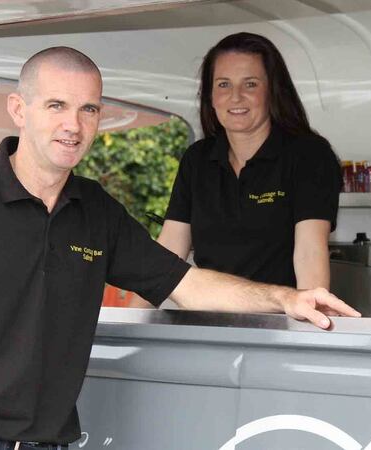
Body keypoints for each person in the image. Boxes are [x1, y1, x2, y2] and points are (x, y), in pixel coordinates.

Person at [0, 47, 359, 450]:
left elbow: (186, 283)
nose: (72, 126)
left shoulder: (95, 211)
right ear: (18, 109)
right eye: (56, 105)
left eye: (88, 110)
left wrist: (285, 299)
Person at [130, 32, 341, 308]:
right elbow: (169, 250)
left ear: (272, 91)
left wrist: (311, 316)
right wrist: (129, 322)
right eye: (223, 84)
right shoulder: (198, 159)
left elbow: (309, 253)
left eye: (250, 84)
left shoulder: (309, 155)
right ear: (210, 96)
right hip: (208, 321)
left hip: (282, 321)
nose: (236, 97)